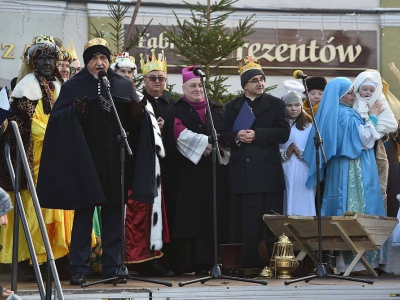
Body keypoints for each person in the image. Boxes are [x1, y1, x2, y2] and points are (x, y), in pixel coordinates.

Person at [36, 38, 147, 285]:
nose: (100, 63)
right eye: (95, 59)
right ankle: (79, 268)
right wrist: (77, 110)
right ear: (87, 63)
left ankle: (113, 266)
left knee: (113, 216)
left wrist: (138, 117)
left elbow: (131, 121)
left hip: (114, 161)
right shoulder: (74, 86)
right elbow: (58, 120)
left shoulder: (121, 84)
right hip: (85, 160)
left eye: (104, 59)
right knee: (84, 215)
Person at [0, 34, 73, 276]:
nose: (47, 64)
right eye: (42, 59)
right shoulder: (26, 87)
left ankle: (55, 257)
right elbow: (28, 124)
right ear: (33, 63)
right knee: (35, 206)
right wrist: (57, 134)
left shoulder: (60, 86)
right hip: (34, 158)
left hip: (58, 155)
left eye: (51, 59)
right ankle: (32, 259)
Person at [303, 77, 385, 273]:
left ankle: (342, 262)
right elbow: (365, 140)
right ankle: (357, 264)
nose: (352, 96)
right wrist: (373, 117)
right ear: (338, 96)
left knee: (340, 206)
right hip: (354, 167)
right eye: (348, 93)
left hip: (340, 167)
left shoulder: (335, 113)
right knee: (355, 206)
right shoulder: (346, 115)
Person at [218, 57, 290, 269]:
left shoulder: (276, 104)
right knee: (245, 220)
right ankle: (245, 264)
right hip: (242, 174)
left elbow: (283, 132)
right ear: (244, 85)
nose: (260, 83)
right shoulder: (232, 107)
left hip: (267, 173)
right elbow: (222, 136)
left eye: (262, 79)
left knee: (268, 221)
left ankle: (269, 265)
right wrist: (237, 136)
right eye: (254, 80)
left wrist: (257, 135)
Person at [111, 51, 173, 277]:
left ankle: (145, 259)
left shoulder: (139, 99)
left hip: (140, 164)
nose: (126, 75)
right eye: (122, 71)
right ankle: (116, 260)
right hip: (115, 164)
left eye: (129, 72)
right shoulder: (107, 97)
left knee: (142, 213)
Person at [162, 66, 225, 275]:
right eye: (193, 86)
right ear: (184, 88)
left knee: (210, 217)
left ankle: (209, 262)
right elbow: (178, 134)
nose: (197, 89)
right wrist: (204, 144)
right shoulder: (176, 110)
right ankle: (184, 263)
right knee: (187, 217)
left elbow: (225, 134)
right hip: (185, 174)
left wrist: (212, 144)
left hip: (211, 174)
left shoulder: (216, 109)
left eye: (200, 85)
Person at [352, 70, 398, 209]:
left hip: (380, 149)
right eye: (364, 89)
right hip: (358, 150)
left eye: (372, 90)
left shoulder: (381, 102)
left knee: (379, 185)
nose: (368, 93)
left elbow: (390, 124)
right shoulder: (354, 102)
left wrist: (374, 127)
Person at [279, 91, 315, 216]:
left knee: (304, 199)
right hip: (285, 167)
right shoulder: (279, 126)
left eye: (297, 105)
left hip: (303, 168)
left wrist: (301, 153)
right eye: (289, 105)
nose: (294, 108)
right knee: (286, 198)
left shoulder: (309, 125)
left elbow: (315, 148)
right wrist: (285, 153)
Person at [140, 49, 175, 131]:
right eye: (152, 78)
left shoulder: (174, 104)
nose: (157, 81)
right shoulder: (137, 102)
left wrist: (166, 126)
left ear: (165, 80)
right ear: (144, 80)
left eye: (161, 78)